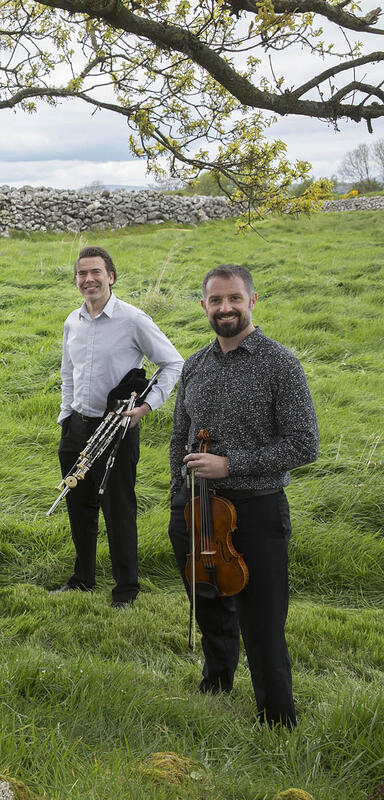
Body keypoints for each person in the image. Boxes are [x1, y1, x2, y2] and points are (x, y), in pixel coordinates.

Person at [168, 265, 317, 728]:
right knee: (209, 599)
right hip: (197, 508)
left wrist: (231, 465)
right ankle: (217, 682)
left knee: (262, 619)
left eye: (234, 298)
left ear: (253, 301)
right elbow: (179, 437)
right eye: (216, 300)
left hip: (256, 509)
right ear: (204, 307)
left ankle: (276, 716)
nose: (225, 308)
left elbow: (304, 443)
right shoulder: (195, 364)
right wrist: (179, 498)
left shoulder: (279, 363)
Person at [54, 245, 183, 608]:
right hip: (76, 427)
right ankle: (83, 578)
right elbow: (68, 373)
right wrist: (66, 416)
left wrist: (146, 407)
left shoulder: (133, 319)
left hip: (117, 429)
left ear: (111, 276)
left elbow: (173, 363)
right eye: (82, 274)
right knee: (78, 506)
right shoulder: (72, 321)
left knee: (118, 509)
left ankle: (126, 588)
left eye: (96, 272)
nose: (88, 279)